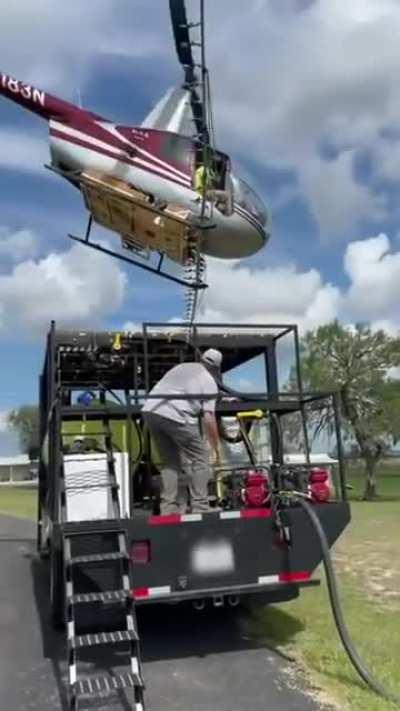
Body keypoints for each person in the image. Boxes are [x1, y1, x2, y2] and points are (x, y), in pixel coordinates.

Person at [141, 349, 222, 514]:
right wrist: (215, 446)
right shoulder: (210, 382)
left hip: (151, 412)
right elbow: (209, 418)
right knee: (201, 458)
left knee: (170, 462)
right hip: (175, 415)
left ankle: (168, 508)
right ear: (217, 368)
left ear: (201, 359)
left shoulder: (181, 367)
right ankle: (200, 506)